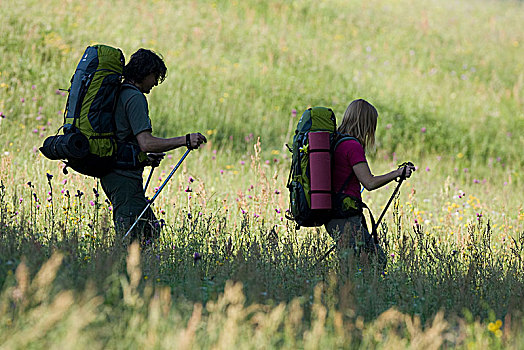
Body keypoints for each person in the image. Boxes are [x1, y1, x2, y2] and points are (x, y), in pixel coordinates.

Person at [100, 48, 207, 244]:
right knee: (133, 237)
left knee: (149, 231)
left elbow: (122, 139)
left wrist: (143, 159)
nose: (156, 82)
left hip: (114, 173)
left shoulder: (120, 93)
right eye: (155, 76)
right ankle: (119, 271)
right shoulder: (134, 97)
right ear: (146, 73)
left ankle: (135, 270)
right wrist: (185, 140)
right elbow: (146, 142)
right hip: (123, 178)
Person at [326, 99, 415, 268]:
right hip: (344, 216)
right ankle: (348, 292)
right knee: (375, 261)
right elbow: (369, 182)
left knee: (357, 263)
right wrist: (398, 173)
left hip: (334, 215)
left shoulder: (336, 141)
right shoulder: (352, 146)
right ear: (366, 123)